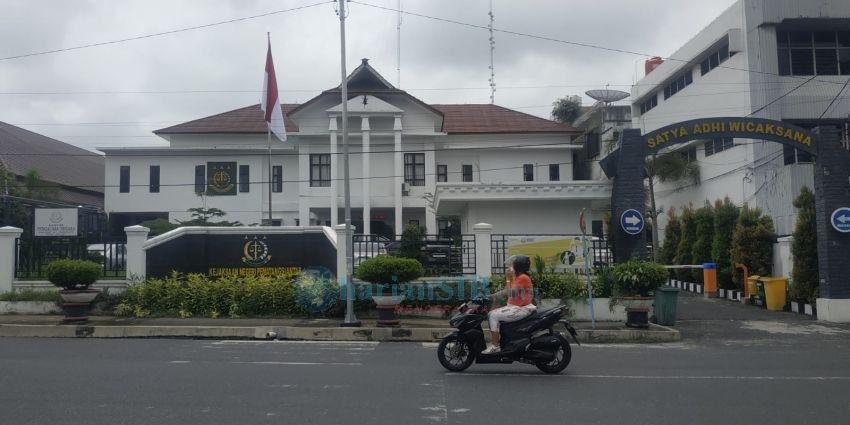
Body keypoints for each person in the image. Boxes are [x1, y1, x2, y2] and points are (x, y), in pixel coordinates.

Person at [482, 255, 536, 354]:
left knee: (493, 315)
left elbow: (510, 292)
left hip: (521, 308)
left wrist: (508, 278)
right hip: (515, 307)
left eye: (512, 265)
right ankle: (503, 341)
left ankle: (495, 346)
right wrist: (491, 296)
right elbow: (507, 291)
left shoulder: (523, 278)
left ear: (517, 266)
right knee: (492, 313)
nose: (510, 268)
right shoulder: (519, 277)